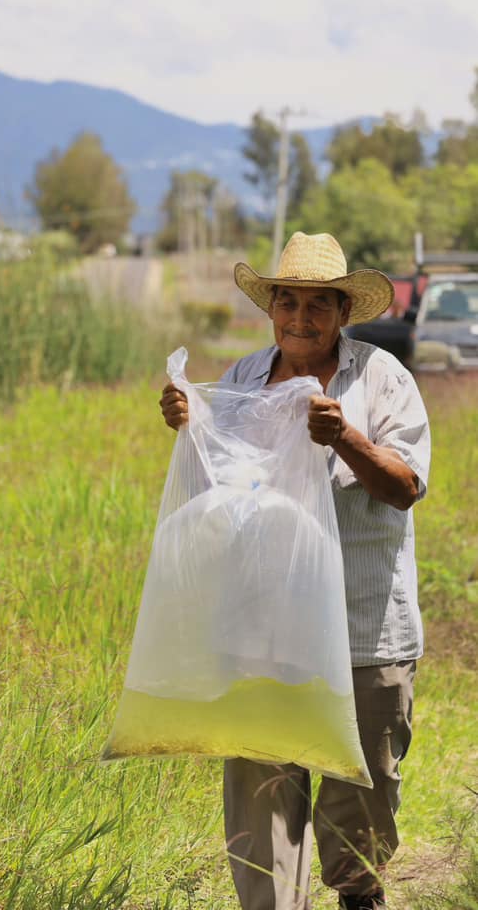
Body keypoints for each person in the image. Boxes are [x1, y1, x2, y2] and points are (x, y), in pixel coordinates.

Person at [159, 231, 431, 910]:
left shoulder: (380, 378)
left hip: (361, 629)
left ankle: (356, 895)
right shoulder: (245, 381)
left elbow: (404, 486)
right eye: (289, 302)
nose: (301, 318)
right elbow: (213, 490)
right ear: (271, 307)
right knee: (262, 801)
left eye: (319, 305)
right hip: (261, 629)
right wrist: (189, 422)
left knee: (359, 805)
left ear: (343, 312)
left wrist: (345, 436)